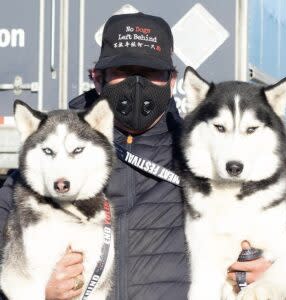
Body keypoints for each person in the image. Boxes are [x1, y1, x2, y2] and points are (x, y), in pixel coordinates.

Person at [0, 12, 271, 300]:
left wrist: (267, 266)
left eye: (151, 73)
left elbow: (276, 237)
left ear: (172, 80)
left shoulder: (207, 162)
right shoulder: (43, 169)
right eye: (124, 71)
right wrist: (37, 293)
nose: (137, 84)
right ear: (97, 78)